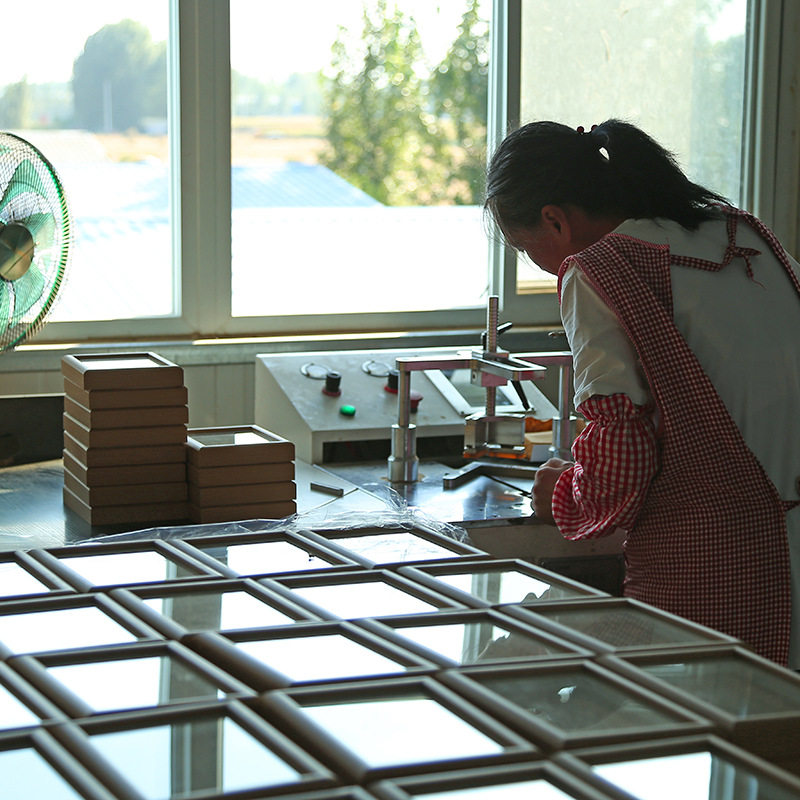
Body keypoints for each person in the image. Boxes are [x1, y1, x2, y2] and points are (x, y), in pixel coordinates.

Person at [484, 119, 800, 667]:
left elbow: (622, 456)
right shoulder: (746, 234)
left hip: (715, 571)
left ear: (554, 219)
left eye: (525, 248)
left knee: (701, 715)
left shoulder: (598, 269)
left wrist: (565, 494)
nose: (538, 264)